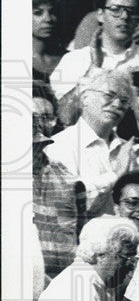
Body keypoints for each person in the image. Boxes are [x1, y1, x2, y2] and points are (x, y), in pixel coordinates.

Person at [50, 0, 139, 102]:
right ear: (100, 15)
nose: (124, 16)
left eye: (131, 11)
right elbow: (64, 113)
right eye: (116, 10)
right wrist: (93, 70)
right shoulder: (73, 60)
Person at [44, 70, 138, 219]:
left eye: (124, 101)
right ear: (85, 98)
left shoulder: (126, 150)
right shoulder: (59, 145)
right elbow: (66, 206)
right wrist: (115, 174)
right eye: (109, 95)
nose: (117, 104)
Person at [32, 112, 86, 281]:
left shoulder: (69, 178)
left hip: (64, 278)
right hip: (24, 278)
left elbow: (80, 231)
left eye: (36, 146)